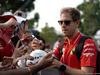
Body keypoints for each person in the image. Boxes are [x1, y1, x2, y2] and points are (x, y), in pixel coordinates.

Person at [31, 7, 97, 75]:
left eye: (67, 22)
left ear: (77, 23)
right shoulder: (62, 44)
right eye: (61, 22)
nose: (63, 25)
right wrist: (39, 49)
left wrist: (61, 66)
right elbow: (49, 59)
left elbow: (87, 73)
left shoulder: (87, 43)